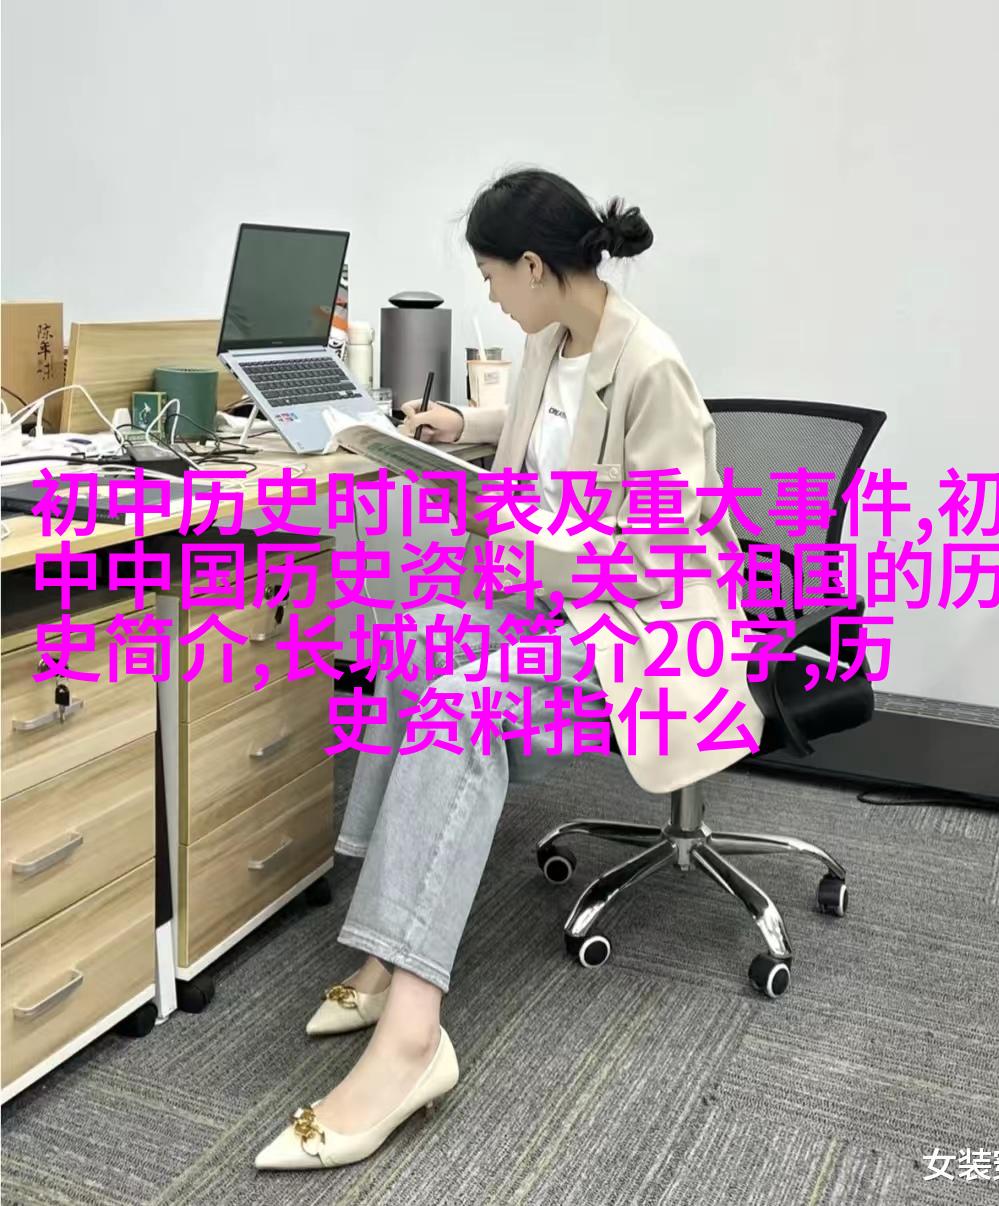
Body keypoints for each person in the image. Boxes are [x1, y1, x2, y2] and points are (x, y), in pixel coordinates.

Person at [255, 168, 766, 1171]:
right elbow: (552, 438)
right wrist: (468, 430)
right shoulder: (550, 342)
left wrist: (534, 551)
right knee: (416, 637)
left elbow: (669, 556)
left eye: (492, 276)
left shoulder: (652, 367)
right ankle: (382, 949)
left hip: (647, 633)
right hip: (561, 606)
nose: (488, 295)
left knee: (461, 700)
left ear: (535, 266)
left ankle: (412, 1040)